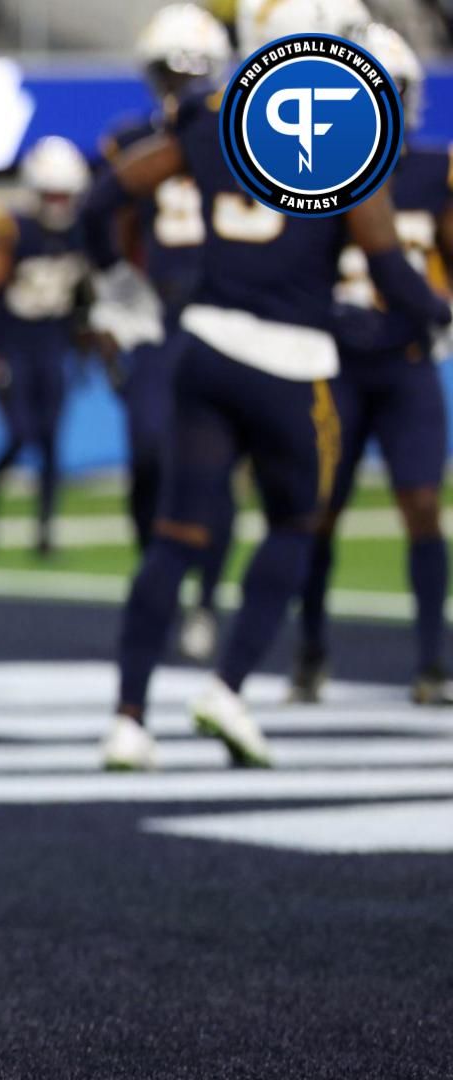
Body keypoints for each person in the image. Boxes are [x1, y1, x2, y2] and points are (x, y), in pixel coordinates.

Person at [89, 1, 447, 772]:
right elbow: (387, 265)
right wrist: (438, 310)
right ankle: (228, 688)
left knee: (175, 538)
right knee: (296, 525)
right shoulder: (348, 132)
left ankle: (127, 719)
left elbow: (105, 196)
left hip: (207, 344)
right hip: (294, 362)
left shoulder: (213, 115)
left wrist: (118, 285)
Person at [291, 25, 452, 706]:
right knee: (319, 512)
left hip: (407, 361)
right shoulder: (312, 170)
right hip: (335, 363)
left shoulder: (433, 169)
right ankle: (311, 649)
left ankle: (433, 662)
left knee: (421, 506)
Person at [99, 2, 236, 662]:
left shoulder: (241, 138)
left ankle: (207, 593)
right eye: (169, 71)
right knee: (149, 455)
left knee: (220, 467)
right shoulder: (132, 141)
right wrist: (114, 293)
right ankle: (155, 578)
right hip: (159, 312)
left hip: (225, 304)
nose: (179, 84)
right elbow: (113, 223)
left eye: (190, 70)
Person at [0, 137, 92, 557]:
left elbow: (83, 297)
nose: (58, 202)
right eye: (51, 193)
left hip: (53, 344)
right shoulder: (11, 230)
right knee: (22, 433)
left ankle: (44, 530)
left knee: (52, 441)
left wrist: (86, 342)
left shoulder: (82, 231)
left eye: (64, 194)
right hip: (17, 344)